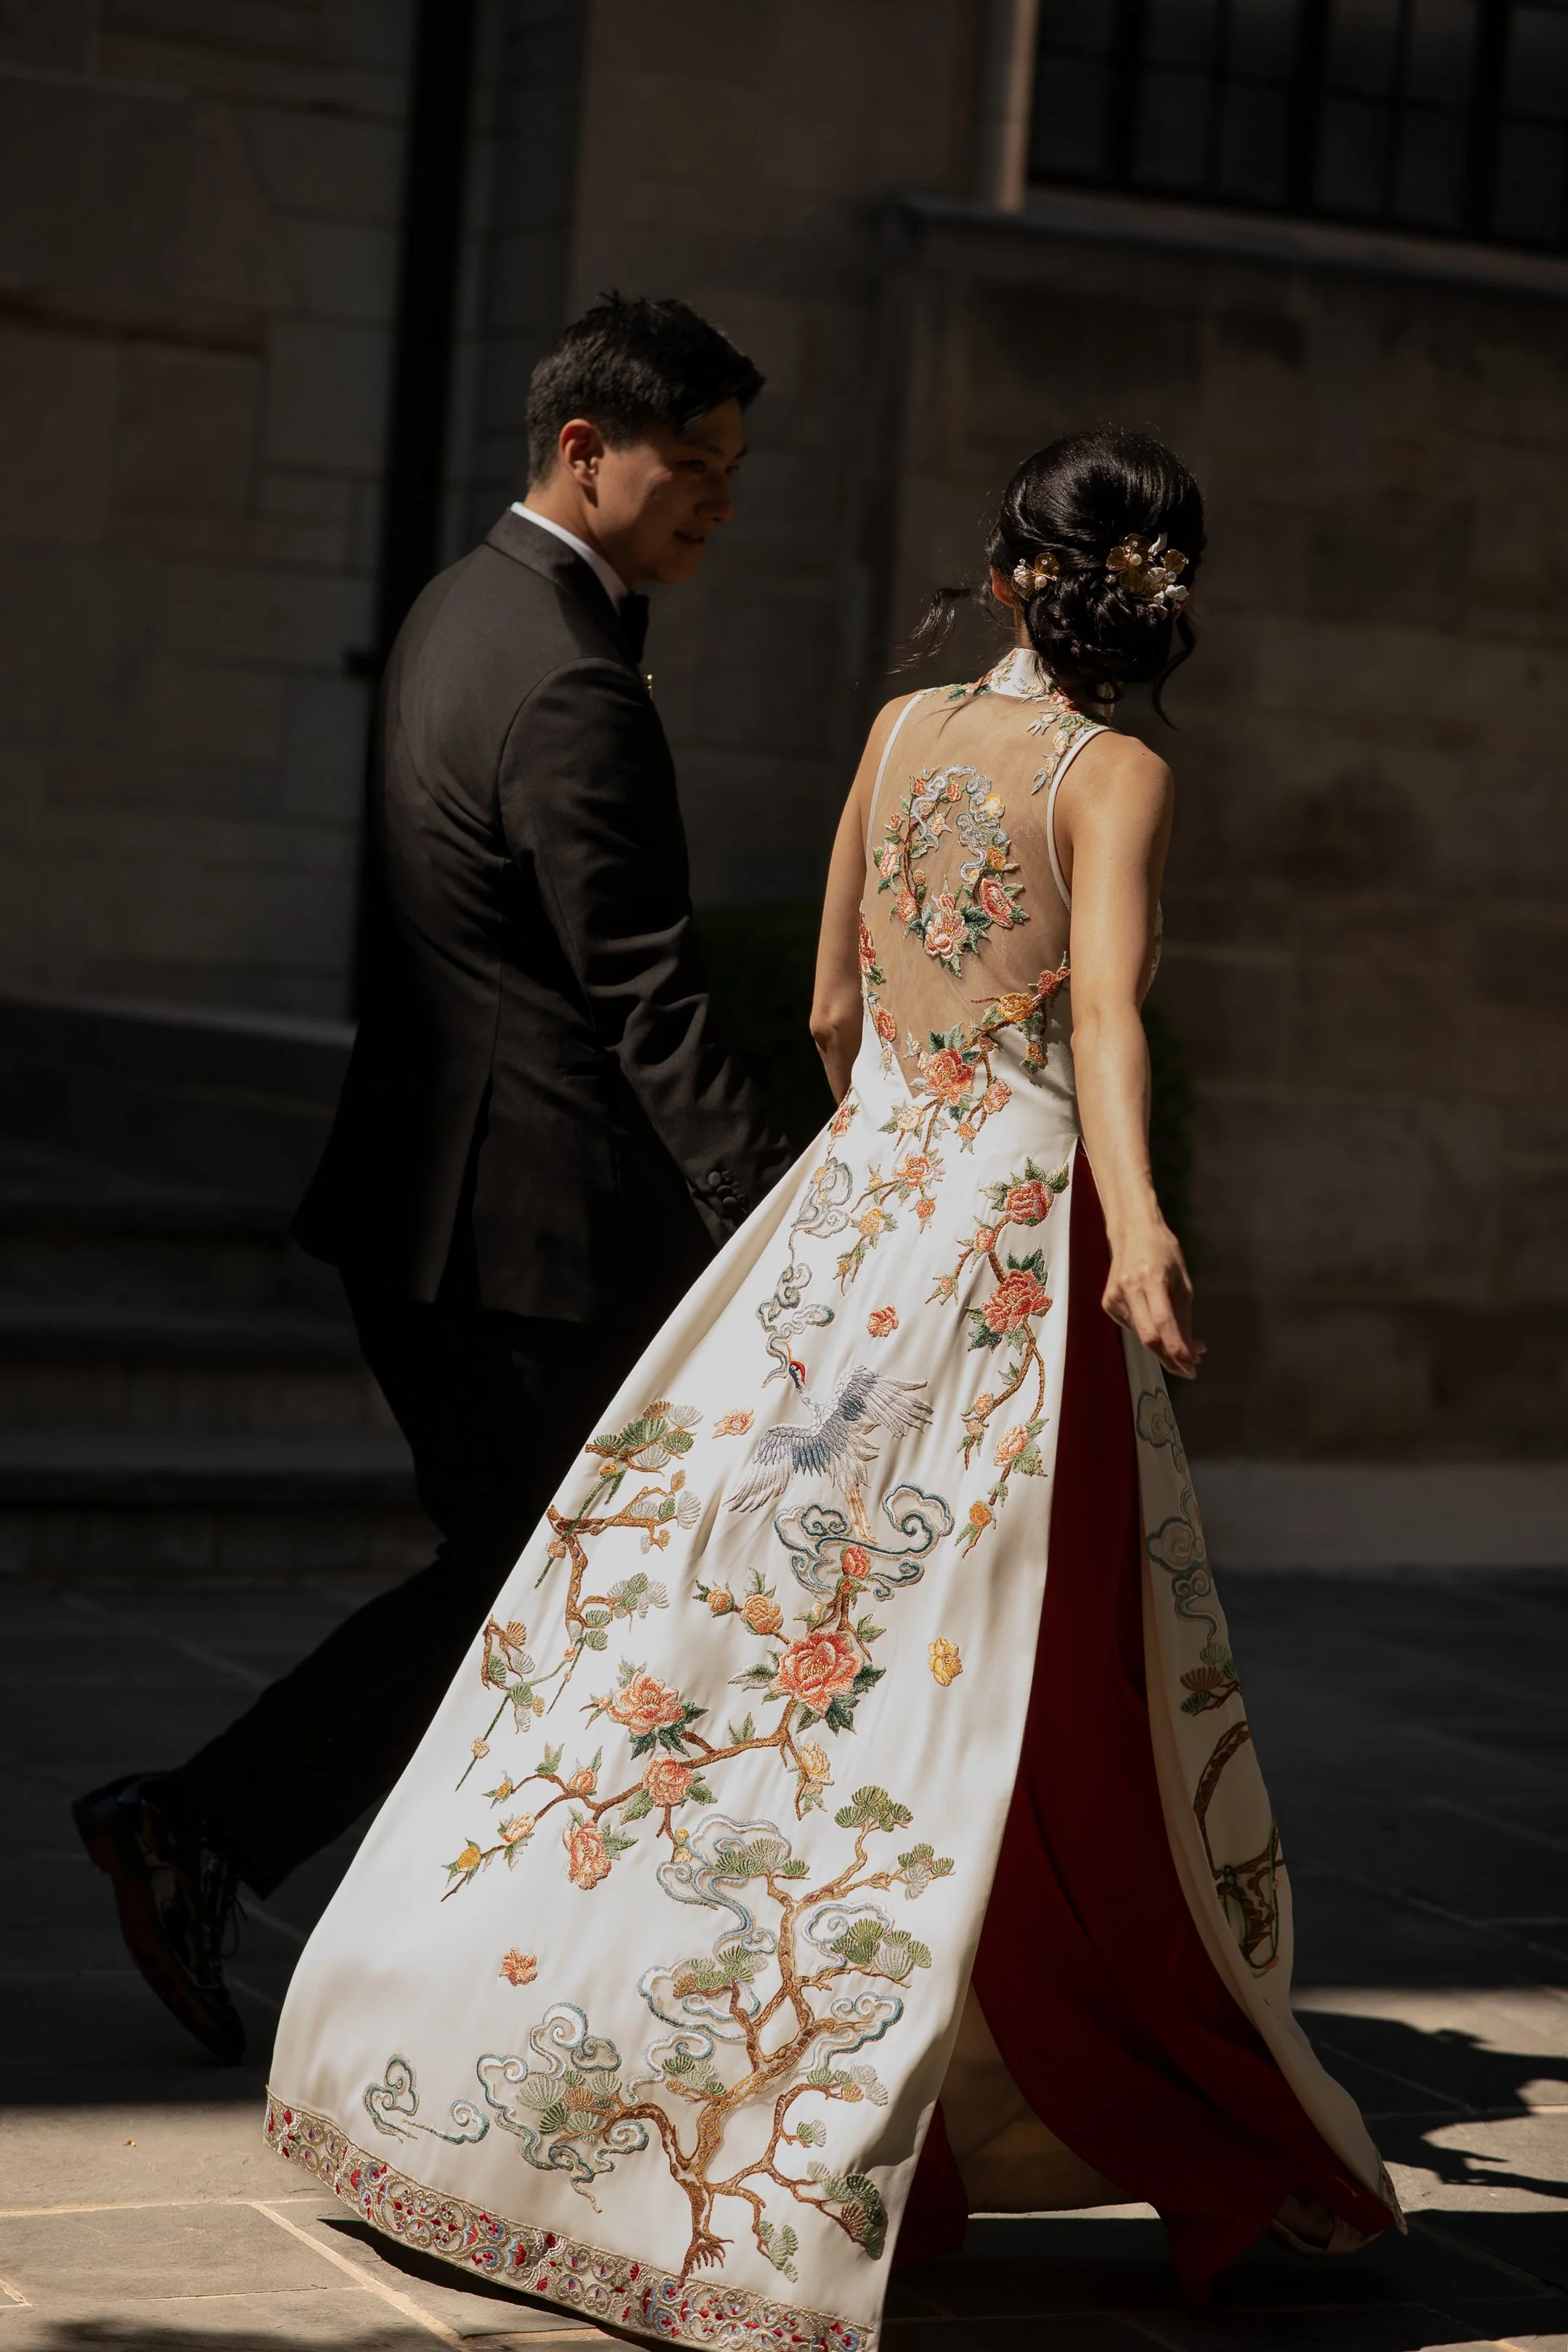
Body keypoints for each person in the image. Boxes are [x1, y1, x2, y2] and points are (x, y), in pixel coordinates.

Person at [260, 428, 1402, 2332]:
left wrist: (888, 1139)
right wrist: (1132, 1217)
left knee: (680, 1640)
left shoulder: (901, 732)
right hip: (1000, 1238)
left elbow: (825, 1011)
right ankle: (903, 2126)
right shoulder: (1115, 774)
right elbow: (1107, 1016)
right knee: (958, 1692)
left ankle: (500, 2097)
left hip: (849, 1213)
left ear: (1008, 573)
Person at [73, 295, 794, 2066]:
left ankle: (391, 1921)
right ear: (583, 451)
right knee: (557, 1592)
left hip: (437, 1209)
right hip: (523, 1231)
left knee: (533, 1586)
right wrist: (785, 1206)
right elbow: (645, 988)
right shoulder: (567, 674)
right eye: (690, 468)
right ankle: (216, 1834)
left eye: (730, 472)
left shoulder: (464, 604)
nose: (718, 502)